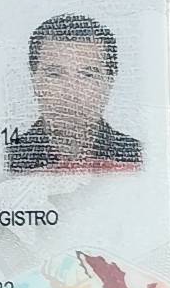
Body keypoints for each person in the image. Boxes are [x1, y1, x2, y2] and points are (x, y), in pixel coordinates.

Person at [7, 13, 142, 173]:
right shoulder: (8, 160)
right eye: (54, 75)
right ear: (34, 80)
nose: (71, 94)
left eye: (87, 75)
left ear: (109, 82)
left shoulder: (139, 158)